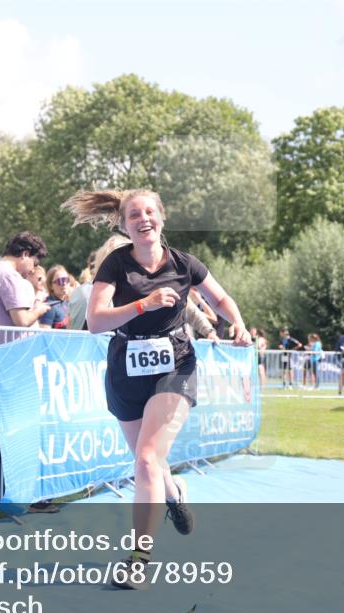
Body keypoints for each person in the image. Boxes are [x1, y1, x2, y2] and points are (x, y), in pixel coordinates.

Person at [62, 188, 252, 589]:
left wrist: (237, 323)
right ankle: (174, 495)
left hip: (175, 367)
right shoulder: (115, 264)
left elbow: (219, 298)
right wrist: (142, 305)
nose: (143, 219)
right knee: (149, 463)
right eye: (134, 215)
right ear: (124, 225)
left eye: (150, 212)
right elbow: (96, 322)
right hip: (125, 371)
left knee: (147, 459)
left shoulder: (184, 264)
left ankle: (139, 559)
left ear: (161, 218)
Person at [0, 231, 50, 335]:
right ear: (25, 254)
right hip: (6, 349)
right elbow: (22, 321)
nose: (33, 269)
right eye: (35, 263)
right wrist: (39, 310)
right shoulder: (9, 275)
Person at [40, 265, 72, 329]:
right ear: (51, 286)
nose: (64, 283)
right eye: (60, 281)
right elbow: (44, 333)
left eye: (66, 280)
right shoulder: (49, 307)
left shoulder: (67, 303)